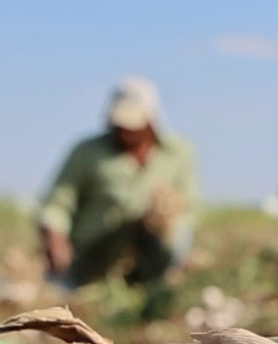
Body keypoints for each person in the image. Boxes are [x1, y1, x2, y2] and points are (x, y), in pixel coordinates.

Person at [37, 76, 198, 314]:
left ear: (151, 121)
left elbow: (189, 208)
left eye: (133, 125)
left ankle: (152, 293)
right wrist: (55, 237)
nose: (124, 132)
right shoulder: (86, 152)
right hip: (95, 252)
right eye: (119, 125)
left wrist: (163, 223)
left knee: (178, 236)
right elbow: (57, 203)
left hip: (152, 250)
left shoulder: (178, 153)